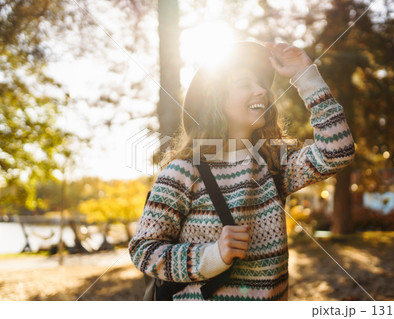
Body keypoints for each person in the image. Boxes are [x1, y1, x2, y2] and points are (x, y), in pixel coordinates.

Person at [128, 41, 355, 301]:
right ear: (215, 100)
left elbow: (338, 151)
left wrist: (304, 73)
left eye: (261, 85)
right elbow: (143, 250)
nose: (261, 91)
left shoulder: (274, 166)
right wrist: (213, 256)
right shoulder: (183, 173)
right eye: (244, 84)